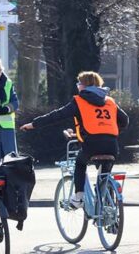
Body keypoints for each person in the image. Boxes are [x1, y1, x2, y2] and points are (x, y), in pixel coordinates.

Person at [21, 71, 129, 208]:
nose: (77, 86)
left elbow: (57, 115)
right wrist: (108, 130)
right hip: (112, 145)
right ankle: (108, 209)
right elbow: (125, 120)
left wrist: (33, 124)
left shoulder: (79, 101)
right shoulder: (110, 102)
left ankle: (78, 198)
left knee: (80, 163)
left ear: (84, 86)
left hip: (92, 144)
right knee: (104, 173)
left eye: (79, 83)